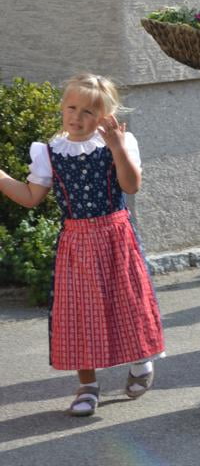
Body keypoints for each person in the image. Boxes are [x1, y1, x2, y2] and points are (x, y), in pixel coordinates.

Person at [0, 74, 164, 417]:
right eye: (71, 107)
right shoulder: (50, 152)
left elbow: (131, 186)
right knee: (77, 313)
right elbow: (31, 197)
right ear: (62, 108)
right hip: (76, 242)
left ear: (105, 116)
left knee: (128, 303)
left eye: (88, 111)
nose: (77, 117)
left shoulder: (119, 142)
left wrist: (118, 148)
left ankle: (140, 361)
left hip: (116, 236)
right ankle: (87, 385)